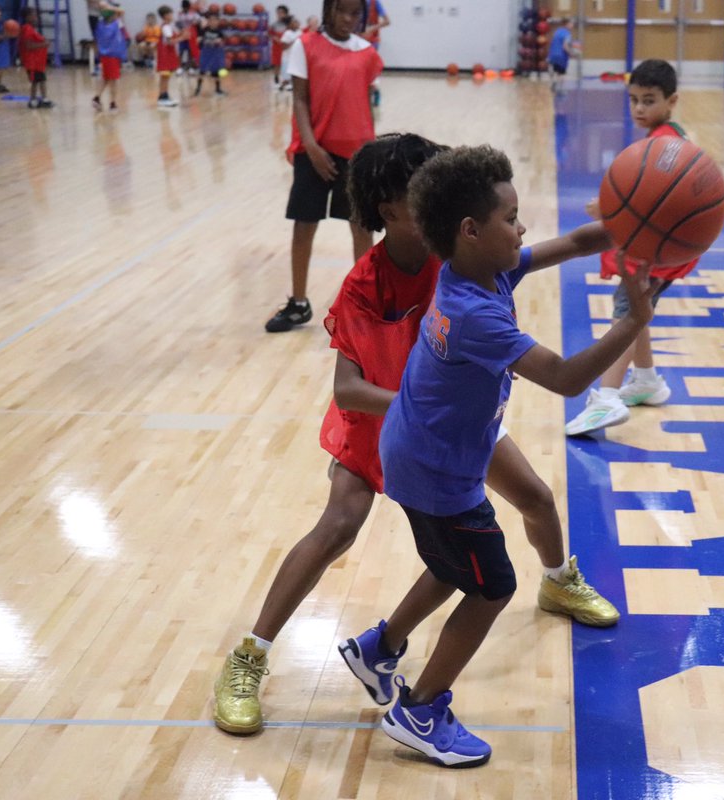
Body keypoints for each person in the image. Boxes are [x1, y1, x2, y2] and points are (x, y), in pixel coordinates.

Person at [213, 133, 618, 736]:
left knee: (533, 499)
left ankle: (558, 582)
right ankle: (249, 656)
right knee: (338, 529)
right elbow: (347, 390)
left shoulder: (460, 257)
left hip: (443, 426)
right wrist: (419, 408)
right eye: (420, 183)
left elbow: (565, 247)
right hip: (379, 424)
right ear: (391, 211)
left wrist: (633, 227)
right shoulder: (362, 286)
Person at [338, 144, 653, 768]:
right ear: (471, 229)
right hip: (438, 470)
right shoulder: (474, 310)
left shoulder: (476, 270)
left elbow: (573, 242)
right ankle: (420, 710)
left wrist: (634, 228)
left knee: (453, 564)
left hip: (425, 447)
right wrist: (633, 319)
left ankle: (380, 647)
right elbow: (564, 379)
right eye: (512, 217)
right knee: (492, 586)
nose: (524, 228)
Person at [565, 59, 696, 437]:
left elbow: (654, 203)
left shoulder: (666, 145)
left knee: (626, 315)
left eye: (649, 101)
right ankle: (646, 380)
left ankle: (606, 397)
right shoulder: (665, 137)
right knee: (637, 310)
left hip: (658, 250)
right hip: (661, 247)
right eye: (634, 100)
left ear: (671, 101)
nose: (639, 108)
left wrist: (607, 208)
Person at [265, 0, 381, 333]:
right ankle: (299, 304)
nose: (347, 18)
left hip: (357, 155)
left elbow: (364, 102)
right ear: (328, 10)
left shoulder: (367, 52)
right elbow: (299, 98)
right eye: (341, 11)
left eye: (354, 13)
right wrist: (312, 147)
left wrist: (370, 150)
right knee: (304, 226)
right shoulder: (306, 45)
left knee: (361, 228)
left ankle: (362, 307)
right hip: (313, 152)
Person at [92, 4, 126, 112]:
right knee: (113, 81)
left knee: (106, 78)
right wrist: (110, 7)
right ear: (112, 15)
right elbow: (122, 11)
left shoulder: (100, 25)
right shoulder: (116, 24)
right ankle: (113, 103)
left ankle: (97, 98)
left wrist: (105, 9)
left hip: (105, 56)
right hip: (112, 56)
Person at [18, 8, 52, 108]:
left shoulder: (30, 29)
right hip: (33, 62)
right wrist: (44, 44)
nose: (36, 17)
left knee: (39, 81)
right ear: (27, 17)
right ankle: (38, 100)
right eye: (33, 15)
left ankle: (38, 99)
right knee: (37, 81)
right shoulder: (27, 29)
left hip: (37, 62)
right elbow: (28, 46)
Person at [195, 10, 226, 96]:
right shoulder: (204, 30)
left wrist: (217, 42)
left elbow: (221, 41)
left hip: (215, 54)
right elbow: (198, 40)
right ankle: (197, 89)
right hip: (206, 53)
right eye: (210, 20)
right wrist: (201, 40)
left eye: (214, 20)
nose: (212, 22)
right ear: (208, 21)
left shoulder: (219, 32)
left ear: (218, 21)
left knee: (216, 73)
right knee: (202, 71)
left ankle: (218, 89)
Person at [155, 5, 180, 107]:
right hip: (166, 54)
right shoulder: (165, 27)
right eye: (170, 14)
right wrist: (183, 37)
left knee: (166, 76)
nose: (172, 15)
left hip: (167, 54)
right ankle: (163, 97)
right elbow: (170, 42)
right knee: (165, 76)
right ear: (165, 16)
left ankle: (163, 96)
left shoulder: (168, 26)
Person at [548, 18, 581, 87]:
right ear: (567, 24)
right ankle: (560, 88)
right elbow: (565, 46)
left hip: (553, 54)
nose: (572, 25)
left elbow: (553, 42)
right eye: (571, 23)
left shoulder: (557, 31)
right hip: (561, 55)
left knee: (555, 70)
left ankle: (553, 82)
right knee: (562, 73)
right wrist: (572, 53)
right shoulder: (567, 34)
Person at [277, 14, 300, 92]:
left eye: (297, 22)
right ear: (290, 24)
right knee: (287, 76)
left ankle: (286, 85)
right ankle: (283, 85)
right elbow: (283, 47)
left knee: (295, 75)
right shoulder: (287, 33)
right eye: (295, 22)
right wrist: (294, 42)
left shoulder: (300, 32)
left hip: (296, 58)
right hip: (288, 59)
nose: (297, 23)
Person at [176, 0, 199, 73]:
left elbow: (199, 21)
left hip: (191, 34)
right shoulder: (180, 13)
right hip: (182, 34)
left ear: (189, 7)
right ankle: (179, 67)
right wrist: (182, 29)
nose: (185, 9)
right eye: (184, 8)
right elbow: (177, 23)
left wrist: (195, 22)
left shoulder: (194, 13)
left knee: (190, 51)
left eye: (187, 8)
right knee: (181, 51)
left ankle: (190, 67)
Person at [269, 4, 289, 84]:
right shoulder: (274, 24)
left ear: (286, 14)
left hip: (286, 47)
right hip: (277, 46)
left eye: (281, 13)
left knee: (286, 63)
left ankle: (286, 79)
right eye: (278, 13)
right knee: (276, 63)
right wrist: (274, 38)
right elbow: (270, 34)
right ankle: (276, 77)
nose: (279, 14)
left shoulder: (289, 24)